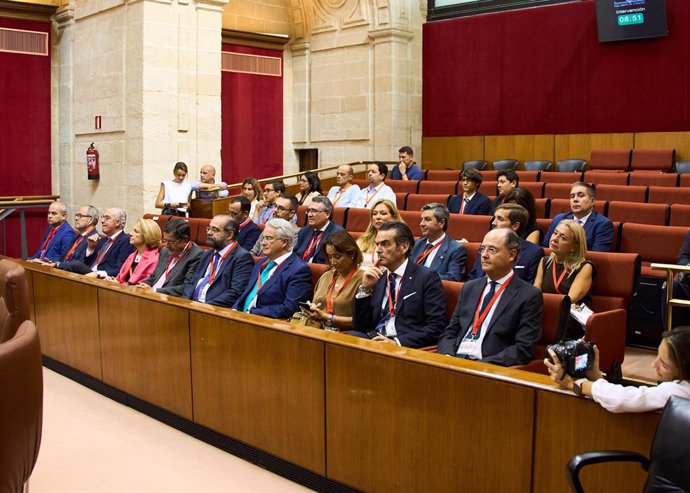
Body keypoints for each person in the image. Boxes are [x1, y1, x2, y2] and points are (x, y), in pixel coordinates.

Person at [437, 228, 543, 366]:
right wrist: (447, 355)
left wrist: (481, 365)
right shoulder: (470, 287)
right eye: (482, 249)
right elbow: (451, 331)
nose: (484, 255)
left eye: (492, 250)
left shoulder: (528, 295)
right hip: (455, 361)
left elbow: (523, 349)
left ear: (511, 255)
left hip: (489, 367)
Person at [545, 327, 690, 413]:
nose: (653, 365)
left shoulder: (679, 392)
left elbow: (623, 399)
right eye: (657, 355)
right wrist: (597, 377)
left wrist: (574, 384)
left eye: (664, 364)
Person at [351, 221, 447, 348]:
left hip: (403, 345)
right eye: (377, 244)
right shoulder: (377, 277)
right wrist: (365, 289)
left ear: (404, 247)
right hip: (376, 340)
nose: (378, 250)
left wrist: (397, 342)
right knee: (352, 338)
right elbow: (360, 326)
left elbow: (436, 326)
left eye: (385, 244)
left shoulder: (426, 277)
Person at [233, 218, 313, 319]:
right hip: (241, 317)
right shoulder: (262, 262)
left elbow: (290, 308)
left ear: (284, 242)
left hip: (265, 323)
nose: (263, 243)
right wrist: (235, 309)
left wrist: (251, 312)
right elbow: (246, 293)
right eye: (263, 238)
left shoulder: (299, 270)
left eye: (269, 238)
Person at [534, 219, 595, 339]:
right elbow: (535, 293)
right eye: (555, 233)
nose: (555, 239)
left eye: (563, 237)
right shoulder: (544, 262)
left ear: (573, 247)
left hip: (569, 318)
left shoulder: (584, 267)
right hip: (545, 312)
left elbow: (569, 301)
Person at [297, 231, 364, 331]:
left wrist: (328, 318)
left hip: (346, 334)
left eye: (337, 257)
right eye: (330, 257)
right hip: (318, 328)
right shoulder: (326, 276)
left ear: (352, 254)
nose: (333, 262)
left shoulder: (362, 279)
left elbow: (362, 321)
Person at [183, 215, 254, 307]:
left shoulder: (242, 257)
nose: (209, 232)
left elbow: (235, 292)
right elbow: (192, 282)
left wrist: (205, 306)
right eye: (208, 228)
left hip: (214, 310)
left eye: (214, 230)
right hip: (193, 306)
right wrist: (184, 302)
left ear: (229, 235)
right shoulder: (207, 254)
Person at [468, 203, 544, 283]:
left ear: (515, 226)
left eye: (500, 219)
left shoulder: (533, 252)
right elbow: (474, 276)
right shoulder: (484, 246)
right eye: (494, 218)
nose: (494, 223)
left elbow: (530, 289)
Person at [61, 208, 135, 278]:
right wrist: (90, 249)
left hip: (102, 278)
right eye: (102, 217)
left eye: (107, 218)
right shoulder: (103, 240)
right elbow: (86, 263)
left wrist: (98, 273)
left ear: (118, 222)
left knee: (75, 264)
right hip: (89, 274)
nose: (102, 221)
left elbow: (120, 270)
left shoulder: (126, 241)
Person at [542, 181, 614, 252]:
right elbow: (545, 247)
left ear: (592, 201)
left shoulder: (603, 224)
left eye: (581, 195)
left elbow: (597, 256)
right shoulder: (559, 219)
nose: (575, 199)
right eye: (572, 196)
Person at [139, 219, 203, 297]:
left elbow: (186, 287)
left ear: (185, 240)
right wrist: (143, 286)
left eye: (170, 242)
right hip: (153, 297)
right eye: (165, 240)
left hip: (170, 301)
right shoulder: (164, 251)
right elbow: (154, 276)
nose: (166, 245)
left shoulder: (196, 255)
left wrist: (155, 291)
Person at [410, 202, 467, 281]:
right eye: (422, 219)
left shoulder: (456, 249)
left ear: (441, 223)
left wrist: (422, 276)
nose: (421, 224)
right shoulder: (417, 244)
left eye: (427, 219)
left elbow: (453, 278)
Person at [106, 218, 161, 285]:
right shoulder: (132, 255)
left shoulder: (154, 260)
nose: (131, 233)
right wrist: (112, 280)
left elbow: (142, 287)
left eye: (136, 231)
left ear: (146, 236)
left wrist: (119, 284)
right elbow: (120, 278)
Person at [294, 196, 344, 264]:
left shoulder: (337, 233)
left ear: (327, 214)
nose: (309, 215)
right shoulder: (305, 230)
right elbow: (295, 254)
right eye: (308, 211)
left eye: (314, 211)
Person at [356, 199, 403, 268]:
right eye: (374, 214)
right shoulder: (362, 240)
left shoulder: (400, 240)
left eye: (383, 213)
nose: (378, 217)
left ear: (394, 217)